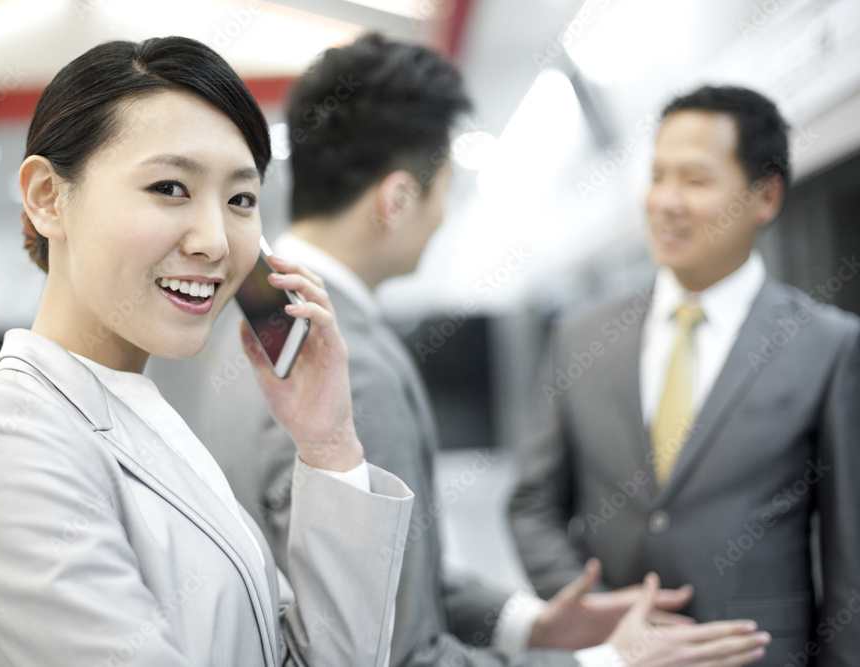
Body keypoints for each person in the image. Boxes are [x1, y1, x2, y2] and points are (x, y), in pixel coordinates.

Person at [199, 35, 772, 666]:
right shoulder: (344, 367)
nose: (443, 215)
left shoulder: (255, 327)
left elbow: (383, 574)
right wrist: (604, 662)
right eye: (444, 187)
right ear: (396, 201)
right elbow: (395, 651)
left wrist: (528, 625)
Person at [0, 36, 416, 666]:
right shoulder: (4, 440)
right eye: (169, 187)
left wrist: (328, 446)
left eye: (241, 199)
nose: (215, 241)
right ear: (48, 197)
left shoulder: (144, 419)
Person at [507, 85, 860, 665]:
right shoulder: (582, 337)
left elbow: (851, 558)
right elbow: (532, 505)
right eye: (657, 175)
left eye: (695, 180)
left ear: (765, 197)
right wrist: (599, 614)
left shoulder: (826, 344)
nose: (666, 201)